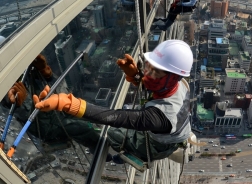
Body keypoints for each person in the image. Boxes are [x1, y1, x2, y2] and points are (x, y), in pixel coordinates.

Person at [33, 40, 193, 164]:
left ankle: (120, 156)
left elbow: (115, 117)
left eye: (155, 72)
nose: (147, 74)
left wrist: (71, 105)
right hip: (174, 132)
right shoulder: (181, 85)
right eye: (147, 67)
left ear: (174, 78)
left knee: (110, 134)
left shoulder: (159, 117)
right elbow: (157, 86)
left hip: (156, 146)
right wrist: (137, 77)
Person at [1, 54, 99, 152]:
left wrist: (47, 74)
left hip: (55, 111)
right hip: (47, 127)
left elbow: (57, 90)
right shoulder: (7, 90)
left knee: (87, 112)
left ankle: (100, 142)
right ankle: (99, 148)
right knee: (85, 129)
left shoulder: (28, 73)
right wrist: (17, 104)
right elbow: (28, 118)